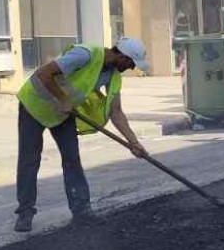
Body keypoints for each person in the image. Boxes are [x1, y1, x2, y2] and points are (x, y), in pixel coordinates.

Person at [14, 37, 150, 233]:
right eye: (130, 63)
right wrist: (62, 99)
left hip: (63, 113)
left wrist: (134, 143)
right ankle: (25, 213)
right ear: (121, 55)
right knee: (29, 159)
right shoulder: (85, 54)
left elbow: (116, 112)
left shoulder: (113, 76)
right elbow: (43, 74)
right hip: (34, 105)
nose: (130, 68)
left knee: (72, 159)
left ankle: (82, 211)